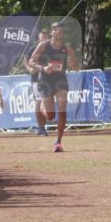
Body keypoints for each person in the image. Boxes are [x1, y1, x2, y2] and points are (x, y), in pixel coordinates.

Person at [29, 21, 79, 152]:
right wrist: (43, 68)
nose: (59, 32)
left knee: (62, 109)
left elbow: (75, 67)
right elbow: (31, 61)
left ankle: (58, 142)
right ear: (52, 32)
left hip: (60, 80)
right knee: (50, 116)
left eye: (61, 31)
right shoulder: (43, 46)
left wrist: (73, 61)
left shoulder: (67, 48)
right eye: (56, 30)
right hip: (45, 80)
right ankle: (41, 107)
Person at [28, 29, 49, 135]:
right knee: (39, 101)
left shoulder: (50, 49)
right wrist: (31, 69)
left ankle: (43, 126)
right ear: (39, 38)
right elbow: (26, 61)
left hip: (48, 79)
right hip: (36, 79)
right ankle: (40, 127)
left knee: (45, 102)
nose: (44, 39)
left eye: (46, 37)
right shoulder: (33, 49)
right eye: (42, 37)